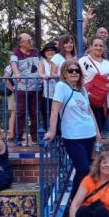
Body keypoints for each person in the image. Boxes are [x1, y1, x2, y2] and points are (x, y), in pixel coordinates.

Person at [44, 60, 100, 199]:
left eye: (77, 70)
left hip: (89, 133)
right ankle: (75, 199)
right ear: (64, 73)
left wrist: (97, 131)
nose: (74, 73)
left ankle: (83, 198)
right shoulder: (61, 86)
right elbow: (54, 110)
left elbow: (89, 111)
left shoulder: (82, 89)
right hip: (72, 135)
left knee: (88, 169)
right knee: (83, 168)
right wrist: (52, 130)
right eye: (71, 70)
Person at [79, 37, 109, 132]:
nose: (98, 48)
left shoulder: (107, 63)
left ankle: (97, 145)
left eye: (101, 45)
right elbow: (78, 78)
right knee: (90, 125)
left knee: (100, 124)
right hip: (89, 99)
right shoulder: (83, 61)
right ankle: (92, 145)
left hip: (104, 100)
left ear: (104, 48)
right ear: (91, 47)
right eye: (95, 45)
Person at [10, 33, 41, 145]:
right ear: (21, 43)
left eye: (30, 40)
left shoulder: (36, 52)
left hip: (36, 88)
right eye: (28, 41)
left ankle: (35, 138)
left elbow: (42, 63)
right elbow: (13, 63)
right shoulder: (15, 54)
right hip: (22, 88)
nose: (30, 42)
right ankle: (18, 137)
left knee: (35, 113)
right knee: (21, 113)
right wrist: (17, 73)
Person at [38, 42, 58, 132]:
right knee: (48, 115)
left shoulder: (59, 60)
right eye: (48, 50)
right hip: (48, 94)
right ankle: (49, 136)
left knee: (60, 115)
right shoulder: (42, 62)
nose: (50, 52)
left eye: (52, 50)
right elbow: (40, 72)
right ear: (44, 52)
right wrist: (43, 76)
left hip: (60, 93)